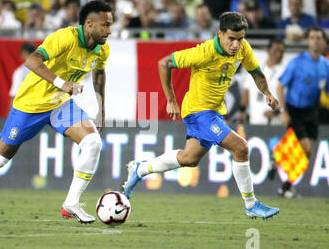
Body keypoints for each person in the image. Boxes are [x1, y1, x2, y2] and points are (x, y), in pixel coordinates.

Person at [0, 0, 112, 225]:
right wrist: (62, 84)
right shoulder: (64, 37)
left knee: (93, 143)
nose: (109, 30)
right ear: (89, 23)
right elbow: (32, 60)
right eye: (105, 25)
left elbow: (99, 76)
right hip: (30, 105)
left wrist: (100, 111)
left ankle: (71, 203)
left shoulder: (102, 50)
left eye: (110, 25)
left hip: (60, 105)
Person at [123, 12, 280, 220]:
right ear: (220, 34)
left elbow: (256, 73)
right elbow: (164, 63)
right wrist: (171, 100)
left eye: (240, 39)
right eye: (231, 39)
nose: (236, 45)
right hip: (198, 112)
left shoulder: (243, 49)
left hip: (213, 112)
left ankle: (140, 169)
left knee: (189, 159)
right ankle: (251, 205)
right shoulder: (204, 53)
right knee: (241, 148)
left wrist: (267, 93)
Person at [276, 27, 329, 198]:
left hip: (312, 110)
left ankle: (285, 184)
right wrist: (283, 111)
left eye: (318, 38)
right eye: (312, 37)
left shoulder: (325, 65)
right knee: (305, 148)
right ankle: (285, 185)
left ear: (323, 42)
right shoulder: (297, 62)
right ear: (308, 41)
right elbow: (280, 85)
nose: (315, 41)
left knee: (307, 151)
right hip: (295, 109)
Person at [240, 39, 286, 125]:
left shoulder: (285, 71)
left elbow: (286, 98)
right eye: (276, 50)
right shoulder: (256, 68)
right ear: (268, 51)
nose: (279, 54)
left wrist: (275, 112)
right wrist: (242, 111)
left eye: (281, 51)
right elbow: (246, 90)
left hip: (275, 121)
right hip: (254, 118)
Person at [9, 42, 37, 109]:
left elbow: (15, 94)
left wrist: (11, 114)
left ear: (23, 53)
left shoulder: (20, 72)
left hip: (26, 108)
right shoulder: (46, 68)